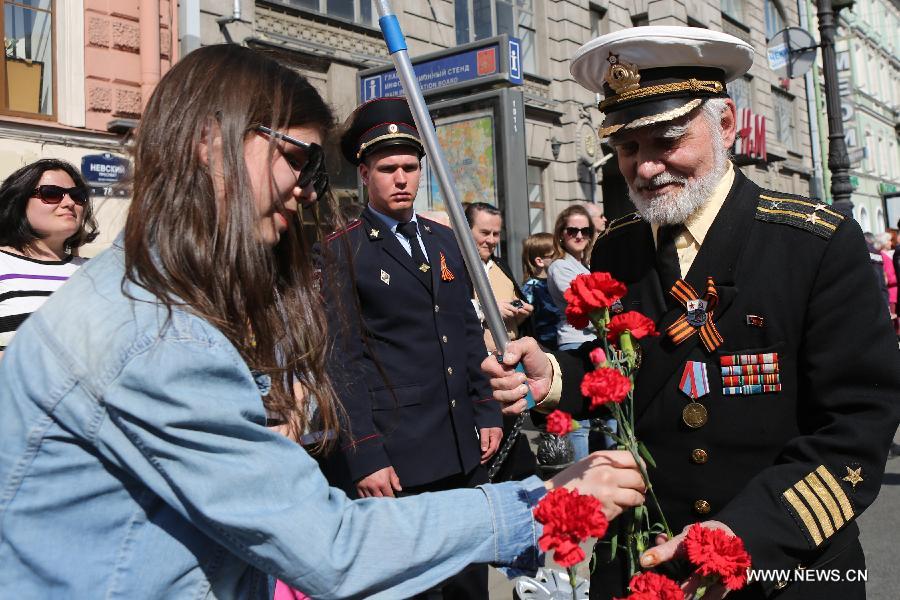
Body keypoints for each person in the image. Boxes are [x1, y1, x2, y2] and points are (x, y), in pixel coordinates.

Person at [0, 45, 648, 599]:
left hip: (454, 451)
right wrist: (544, 504)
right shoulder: (155, 337)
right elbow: (329, 544)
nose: (308, 188)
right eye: (298, 159)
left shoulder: (144, 300)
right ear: (209, 144)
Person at [483, 26, 900, 600]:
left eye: (667, 140)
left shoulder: (814, 242)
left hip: (782, 567)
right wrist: (555, 377)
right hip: (642, 562)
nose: (646, 167)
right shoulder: (617, 247)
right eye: (629, 148)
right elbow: (634, 380)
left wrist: (738, 533)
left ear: (725, 124)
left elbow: (856, 428)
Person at [320, 98, 503, 597]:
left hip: (461, 449)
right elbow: (342, 361)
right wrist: (363, 455)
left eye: (409, 167)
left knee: (469, 587)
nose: (401, 179)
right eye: (387, 169)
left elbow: (466, 332)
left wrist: (486, 408)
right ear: (363, 173)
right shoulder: (343, 250)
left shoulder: (445, 241)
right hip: (397, 457)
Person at [0, 159, 98, 358]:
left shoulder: (98, 272)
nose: (69, 203)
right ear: (18, 202)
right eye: (51, 194)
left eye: (77, 196)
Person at [547, 205, 597, 460]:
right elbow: (585, 306)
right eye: (572, 230)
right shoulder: (560, 267)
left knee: (607, 418)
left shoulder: (586, 265)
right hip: (575, 344)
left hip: (597, 344)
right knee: (581, 422)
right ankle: (583, 484)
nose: (579, 236)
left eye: (585, 231)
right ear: (561, 234)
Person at [464, 201, 533, 354]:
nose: (492, 240)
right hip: (478, 360)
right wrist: (489, 310)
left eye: (496, 234)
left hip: (512, 354)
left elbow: (515, 316)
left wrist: (521, 311)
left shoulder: (501, 266)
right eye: (485, 233)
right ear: (466, 230)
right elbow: (448, 310)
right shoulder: (454, 265)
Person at [521, 232, 563, 351]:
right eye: (556, 255)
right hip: (544, 346)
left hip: (562, 341)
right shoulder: (531, 288)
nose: (561, 258)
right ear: (540, 261)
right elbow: (525, 322)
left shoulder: (557, 281)